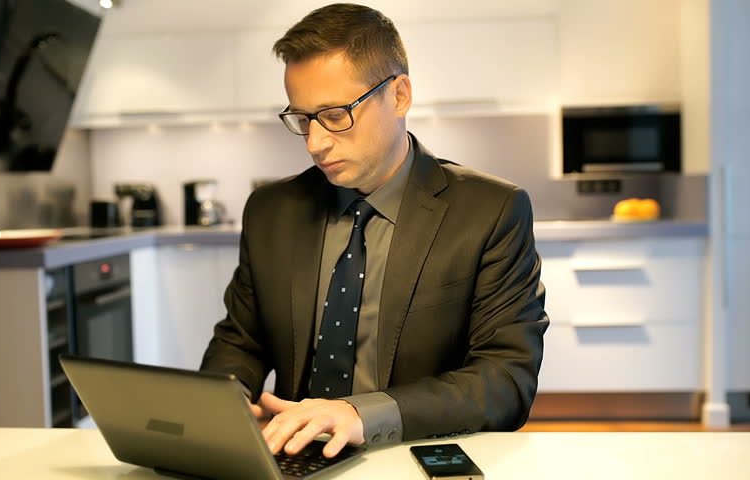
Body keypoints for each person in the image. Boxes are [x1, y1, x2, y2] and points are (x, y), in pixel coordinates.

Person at [200, 3, 549, 459]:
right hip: (295, 455)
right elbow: (240, 340)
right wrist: (222, 406)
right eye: (303, 119)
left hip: (413, 449)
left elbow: (506, 380)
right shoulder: (271, 210)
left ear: (399, 95)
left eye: (335, 114)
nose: (316, 143)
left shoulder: (491, 211)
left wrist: (361, 414)